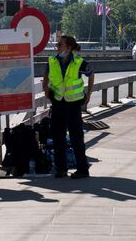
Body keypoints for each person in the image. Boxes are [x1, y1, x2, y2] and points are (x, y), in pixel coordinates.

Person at [42, 36, 94, 179]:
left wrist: (89, 93)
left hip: (73, 104)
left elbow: (91, 74)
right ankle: (61, 169)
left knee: (76, 138)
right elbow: (46, 75)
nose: (57, 46)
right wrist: (45, 88)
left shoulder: (79, 62)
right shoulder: (52, 61)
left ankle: (82, 170)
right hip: (58, 103)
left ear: (69, 47)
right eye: (57, 44)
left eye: (60, 44)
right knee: (58, 137)